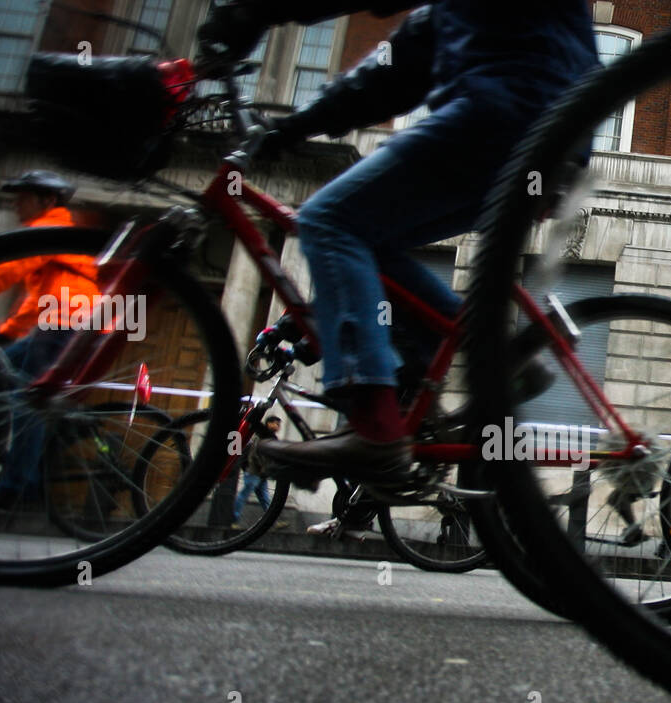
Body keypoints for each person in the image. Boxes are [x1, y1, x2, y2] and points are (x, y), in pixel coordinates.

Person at [195, 2, 598, 485]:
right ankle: (497, 355)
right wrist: (291, 127)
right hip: (548, 139)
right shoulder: (458, 19)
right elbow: (388, 75)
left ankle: (375, 428)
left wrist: (249, 13)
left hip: (502, 117)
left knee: (328, 220)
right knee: (372, 241)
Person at [0, 171, 98, 509]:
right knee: (5, 368)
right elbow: (39, 299)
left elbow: (9, 267)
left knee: (29, 403)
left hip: (65, 325)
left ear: (47, 201)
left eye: (24, 196)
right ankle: (21, 450)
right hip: (61, 321)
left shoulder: (49, 230)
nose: (17, 203)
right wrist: (6, 332)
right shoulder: (56, 236)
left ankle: (16, 486)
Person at [232, 415, 288, 529]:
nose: (278, 426)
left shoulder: (270, 437)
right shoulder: (263, 436)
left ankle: (273, 521)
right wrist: (262, 467)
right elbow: (256, 454)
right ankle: (233, 520)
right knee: (244, 495)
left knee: (265, 498)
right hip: (254, 471)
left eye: (279, 424)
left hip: (261, 473)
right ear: (269, 424)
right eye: (276, 423)